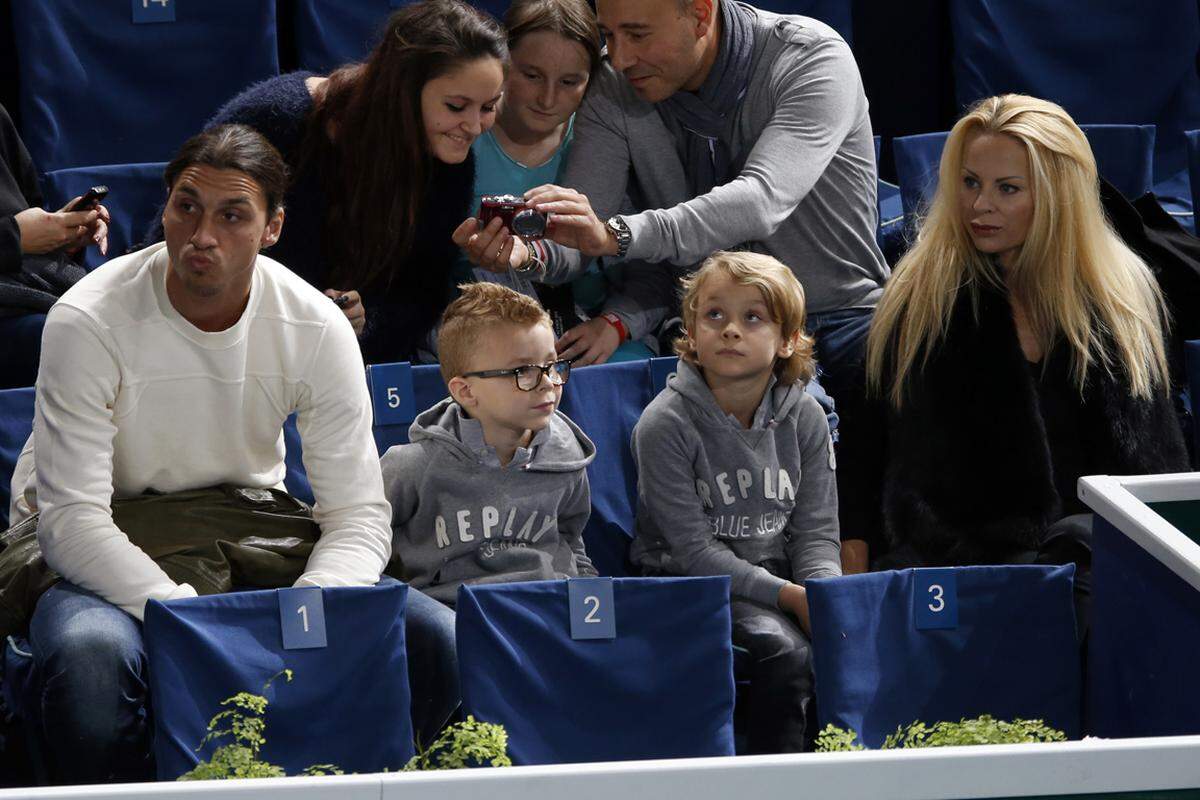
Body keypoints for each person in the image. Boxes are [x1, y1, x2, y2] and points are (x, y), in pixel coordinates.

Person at [6, 125, 451, 784]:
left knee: (438, 639)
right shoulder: (88, 318)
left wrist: (314, 605)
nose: (201, 234)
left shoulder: (314, 324)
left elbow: (357, 514)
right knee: (90, 661)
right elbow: (71, 524)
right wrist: (182, 612)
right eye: (186, 206)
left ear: (272, 228)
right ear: (163, 208)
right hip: (103, 539)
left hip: (248, 528)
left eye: (232, 215)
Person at [458, 0, 887, 570]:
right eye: (609, 34)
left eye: (637, 34)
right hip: (714, 329)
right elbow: (579, 239)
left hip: (843, 314)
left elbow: (760, 201)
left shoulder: (811, 57)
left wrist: (615, 234)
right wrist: (527, 254)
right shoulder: (617, 85)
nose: (619, 56)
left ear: (701, 15)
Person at [860, 95, 1189, 622]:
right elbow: (872, 460)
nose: (978, 206)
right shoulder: (921, 300)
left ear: (1059, 197)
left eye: (1006, 189)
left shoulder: (1121, 301)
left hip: (1103, 566)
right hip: (965, 576)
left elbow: (1153, 467)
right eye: (969, 183)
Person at [202, 0, 513, 364]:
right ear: (403, 89)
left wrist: (366, 322)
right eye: (457, 107)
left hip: (338, 364)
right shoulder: (278, 119)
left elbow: (422, 292)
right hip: (228, 341)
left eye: (489, 107)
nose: (474, 126)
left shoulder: (449, 161)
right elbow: (186, 237)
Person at [630, 251, 840, 753]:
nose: (730, 330)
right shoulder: (664, 425)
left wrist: (826, 599)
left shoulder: (806, 417)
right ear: (692, 332)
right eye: (714, 315)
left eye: (753, 318)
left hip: (775, 576)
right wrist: (792, 597)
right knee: (786, 654)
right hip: (687, 586)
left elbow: (816, 534)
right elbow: (694, 554)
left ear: (788, 340)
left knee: (850, 639)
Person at [382, 282, 596, 607]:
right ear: (466, 391)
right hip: (451, 613)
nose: (548, 384)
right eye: (523, 371)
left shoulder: (567, 457)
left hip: (546, 607)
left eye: (552, 365)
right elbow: (361, 540)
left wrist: (592, 599)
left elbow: (570, 539)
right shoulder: (412, 466)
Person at [0, 101, 109, 388]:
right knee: (74, 338)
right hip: (16, 308)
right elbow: (15, 234)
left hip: (27, 286)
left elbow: (25, 213)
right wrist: (15, 238)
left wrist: (61, 232)